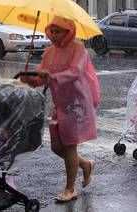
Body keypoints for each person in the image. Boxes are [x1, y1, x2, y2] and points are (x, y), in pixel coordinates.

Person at [20, 16, 100, 202]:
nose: (53, 35)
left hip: (77, 104)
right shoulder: (49, 52)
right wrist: (31, 79)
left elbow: (75, 72)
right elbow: (42, 75)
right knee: (57, 146)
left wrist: (52, 76)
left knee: (70, 146)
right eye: (52, 31)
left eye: (58, 31)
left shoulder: (79, 50)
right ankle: (86, 165)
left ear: (68, 31)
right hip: (60, 104)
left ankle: (70, 188)